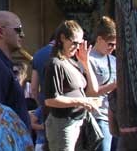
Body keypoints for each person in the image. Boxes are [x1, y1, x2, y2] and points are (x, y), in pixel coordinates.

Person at [42, 20, 102, 151]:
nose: (77, 47)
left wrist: (86, 63)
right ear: (62, 38)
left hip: (79, 121)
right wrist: (82, 101)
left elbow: (94, 91)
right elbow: (50, 100)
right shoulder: (55, 63)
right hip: (62, 123)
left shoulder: (72, 63)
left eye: (80, 44)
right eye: (74, 43)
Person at [88, 16, 118, 151]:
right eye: (110, 44)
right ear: (99, 39)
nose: (113, 48)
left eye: (116, 44)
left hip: (114, 117)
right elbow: (89, 91)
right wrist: (115, 85)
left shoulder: (114, 59)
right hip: (98, 116)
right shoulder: (88, 59)